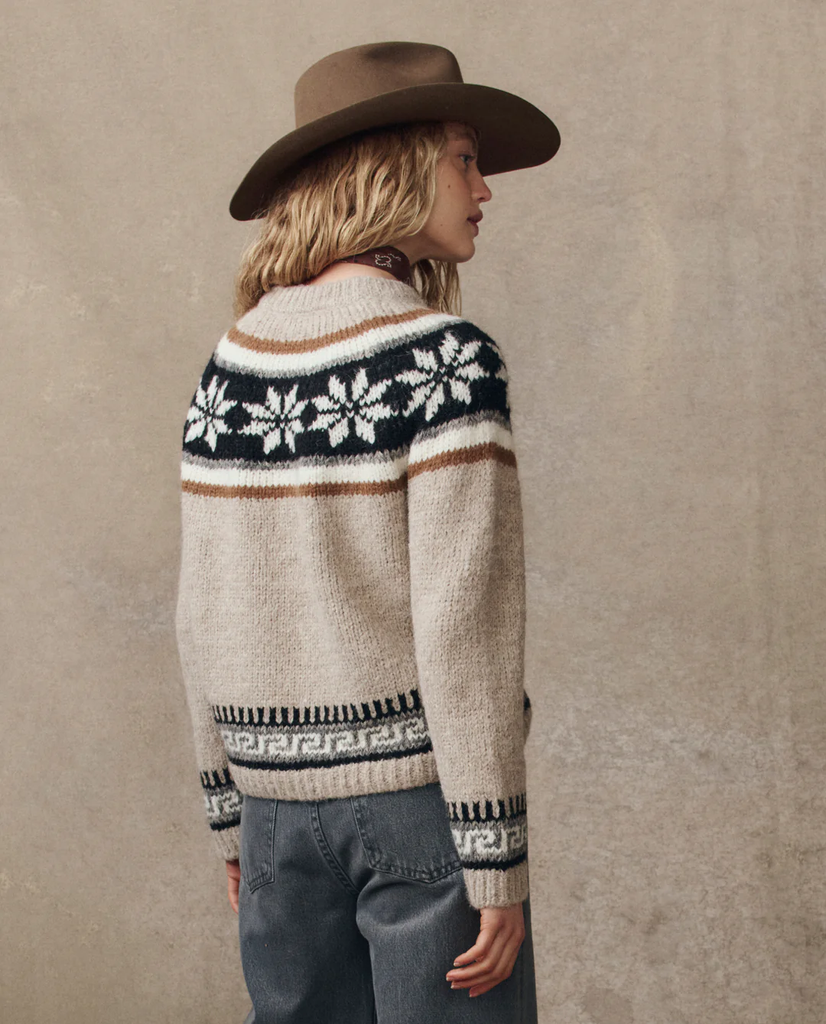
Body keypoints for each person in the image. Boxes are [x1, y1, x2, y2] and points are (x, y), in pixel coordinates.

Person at [174, 40, 560, 1024]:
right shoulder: (444, 361)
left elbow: (199, 612)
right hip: (418, 809)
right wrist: (495, 855)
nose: (484, 189)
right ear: (395, 166)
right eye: (465, 159)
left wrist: (228, 816)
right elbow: (464, 627)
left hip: (272, 814)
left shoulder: (232, 362)